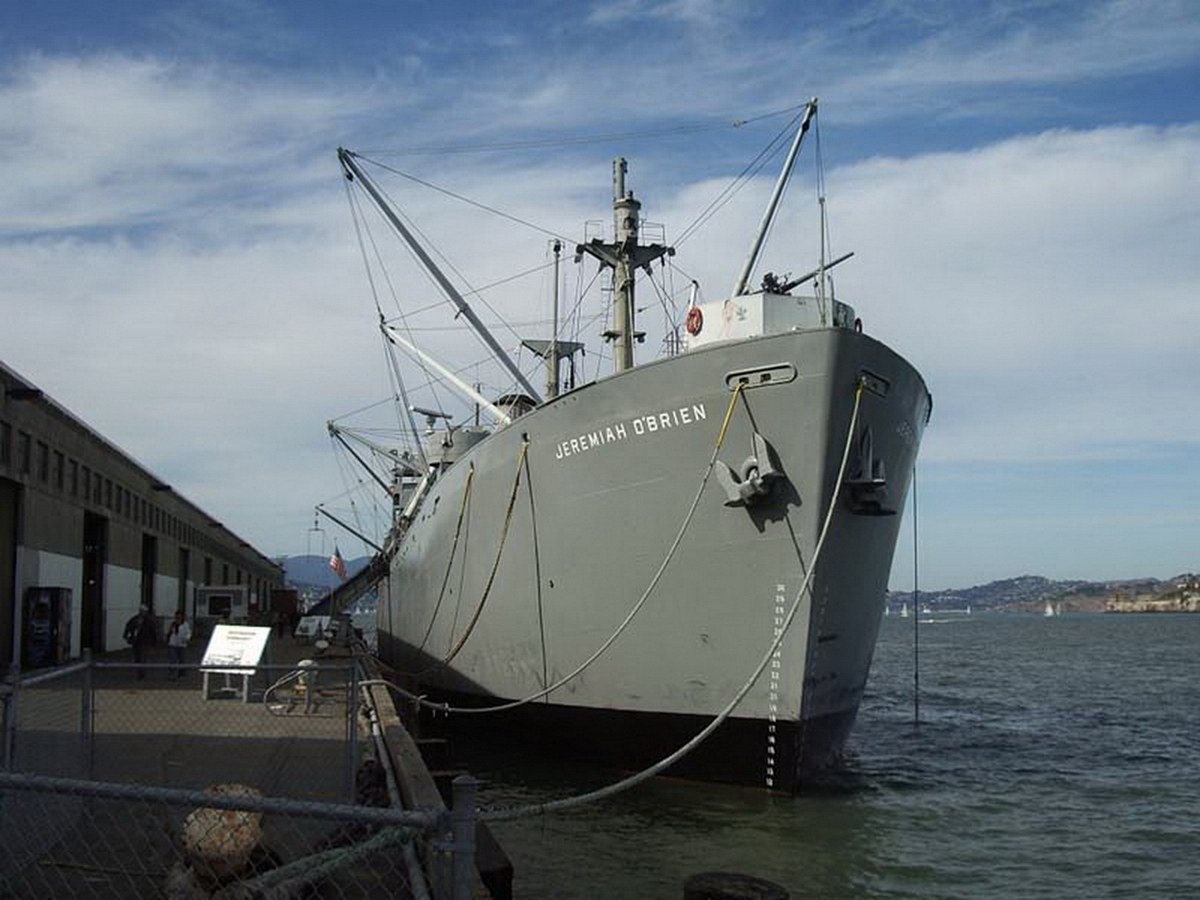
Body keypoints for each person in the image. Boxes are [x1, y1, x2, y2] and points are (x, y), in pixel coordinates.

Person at [124, 605, 157, 680]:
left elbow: (153, 632)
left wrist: (154, 643)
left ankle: (141, 673)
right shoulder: (135, 619)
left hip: (145, 642)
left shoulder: (149, 621)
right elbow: (128, 626)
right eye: (141, 611)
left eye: (143, 611)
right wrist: (126, 636)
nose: (142, 613)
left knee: (142, 657)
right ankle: (140, 671)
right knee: (137, 657)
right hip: (136, 642)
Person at [166, 610, 192, 681]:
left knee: (182, 660)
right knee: (173, 660)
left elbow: (189, 633)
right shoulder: (173, 624)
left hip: (182, 644)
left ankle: (181, 674)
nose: (177, 618)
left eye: (179, 617)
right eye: (176, 617)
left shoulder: (185, 625)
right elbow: (169, 633)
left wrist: (186, 639)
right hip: (173, 644)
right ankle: (172, 674)